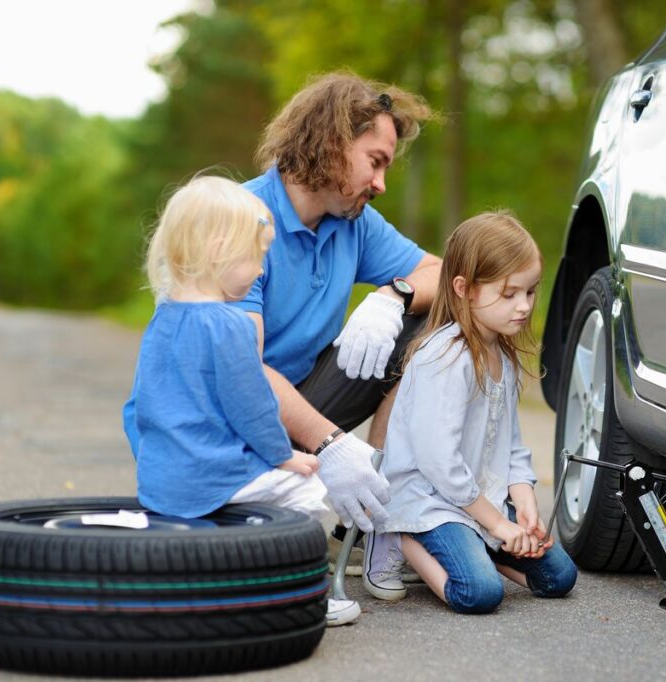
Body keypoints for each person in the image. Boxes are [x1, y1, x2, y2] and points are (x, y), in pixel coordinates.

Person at [122, 176, 361, 627]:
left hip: (162, 482)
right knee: (309, 490)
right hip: (215, 476)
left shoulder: (162, 319)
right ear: (218, 250)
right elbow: (251, 406)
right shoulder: (229, 325)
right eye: (256, 257)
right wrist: (283, 456)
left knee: (248, 492)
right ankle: (297, 592)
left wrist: (158, 462)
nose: (259, 271)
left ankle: (218, 571)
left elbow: (138, 406)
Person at [237, 73, 442, 587]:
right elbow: (240, 369)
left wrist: (393, 295)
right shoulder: (241, 220)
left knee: (430, 323)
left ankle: (370, 522)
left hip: (301, 409)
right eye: (375, 162)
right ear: (331, 143)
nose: (381, 184)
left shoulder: (352, 222)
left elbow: (448, 273)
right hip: (233, 426)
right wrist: (331, 444)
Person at [373, 211, 578, 613]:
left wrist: (524, 506)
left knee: (559, 577)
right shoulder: (447, 358)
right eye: (508, 294)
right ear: (464, 288)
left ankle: (478, 546)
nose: (523, 306)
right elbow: (438, 462)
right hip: (428, 500)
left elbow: (512, 445)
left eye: (530, 292)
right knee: (479, 593)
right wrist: (499, 524)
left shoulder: (502, 352)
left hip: (476, 500)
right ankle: (399, 536)